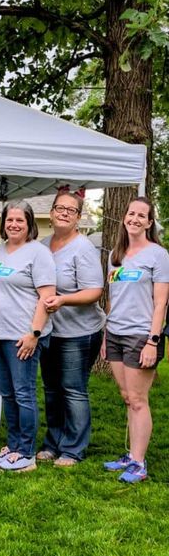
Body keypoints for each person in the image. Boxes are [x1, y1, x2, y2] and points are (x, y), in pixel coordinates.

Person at [0, 201, 56, 472]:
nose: (14, 224)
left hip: (23, 336)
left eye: (20, 220)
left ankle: (26, 452)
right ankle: (13, 445)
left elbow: (47, 297)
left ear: (29, 225)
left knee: (24, 393)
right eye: (9, 220)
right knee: (8, 393)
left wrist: (34, 334)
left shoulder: (38, 253)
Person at [102, 196, 169, 484]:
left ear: (149, 222)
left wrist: (153, 341)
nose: (135, 219)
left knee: (139, 400)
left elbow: (161, 303)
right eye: (131, 213)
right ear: (124, 218)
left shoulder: (158, 255)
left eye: (142, 215)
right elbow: (112, 300)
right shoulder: (115, 255)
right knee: (127, 397)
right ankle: (130, 455)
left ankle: (140, 464)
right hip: (115, 333)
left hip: (141, 336)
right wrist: (106, 334)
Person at [37, 191, 104, 466]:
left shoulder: (83, 248)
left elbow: (95, 291)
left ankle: (73, 449)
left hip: (79, 332)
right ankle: (53, 443)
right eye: (59, 208)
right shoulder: (42, 244)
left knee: (73, 389)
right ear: (51, 213)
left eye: (71, 210)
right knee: (52, 389)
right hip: (50, 330)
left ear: (78, 217)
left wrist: (63, 300)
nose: (64, 213)